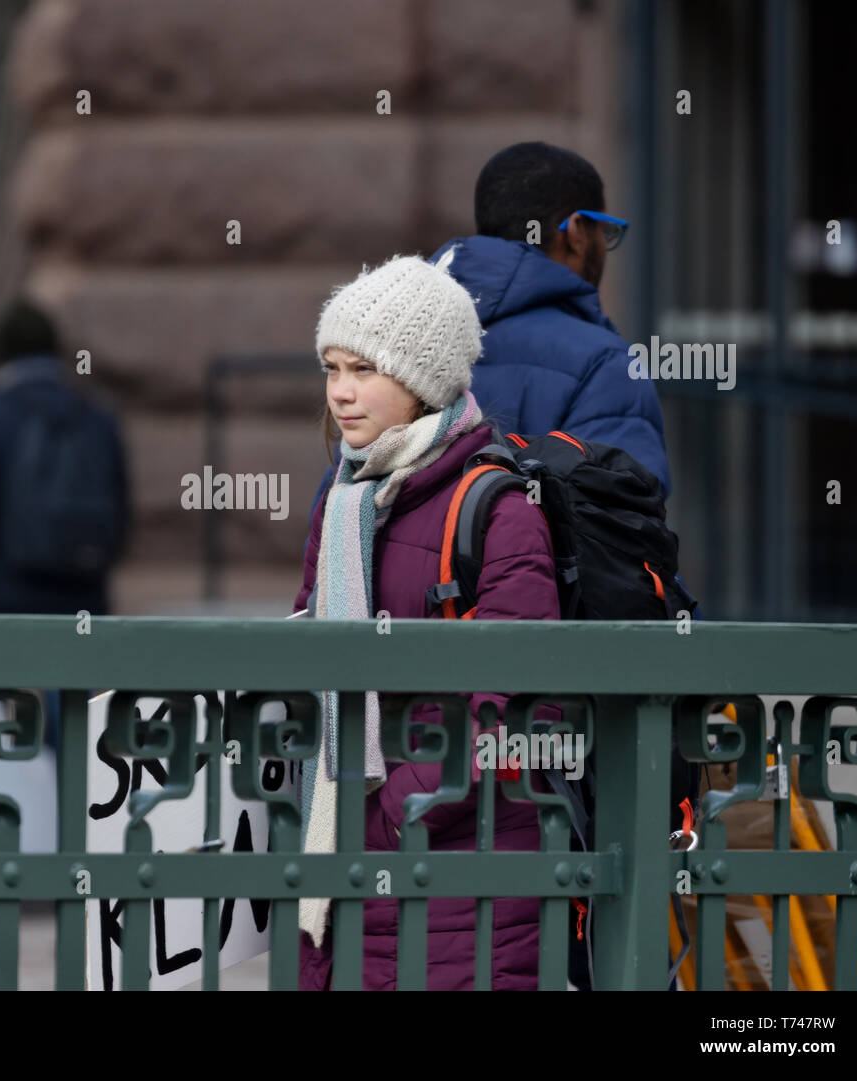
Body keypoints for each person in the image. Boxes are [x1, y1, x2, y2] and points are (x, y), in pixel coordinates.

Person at [294, 250, 561, 991]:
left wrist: (391, 812)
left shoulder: (498, 510)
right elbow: (305, 639)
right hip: (350, 856)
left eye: (364, 370)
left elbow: (509, 702)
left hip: (460, 875)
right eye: (332, 368)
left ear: (421, 380)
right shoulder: (345, 497)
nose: (341, 394)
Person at [308, 141, 671, 518]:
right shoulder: (603, 362)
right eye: (605, 233)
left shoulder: (404, 336)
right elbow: (623, 531)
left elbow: (340, 506)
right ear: (576, 231)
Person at [0, 299, 130, 757]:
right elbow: (120, 511)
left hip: (6, 596)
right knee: (73, 716)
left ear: (1, 353)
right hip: (80, 593)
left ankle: (9, 820)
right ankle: (76, 817)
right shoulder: (95, 415)